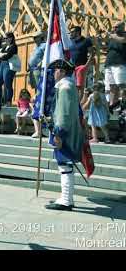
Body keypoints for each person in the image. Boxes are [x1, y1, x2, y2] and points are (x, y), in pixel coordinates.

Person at [45, 59, 85, 211]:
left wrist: (58, 133)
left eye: (55, 70)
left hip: (65, 133)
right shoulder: (68, 86)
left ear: (61, 71)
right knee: (65, 166)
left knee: (64, 165)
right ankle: (66, 197)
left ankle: (66, 200)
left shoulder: (65, 88)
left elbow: (65, 114)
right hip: (67, 131)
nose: (54, 73)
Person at [29, 31, 54, 138]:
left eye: (36, 37)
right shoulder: (36, 47)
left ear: (41, 37)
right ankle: (37, 96)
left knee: (40, 86)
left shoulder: (44, 45)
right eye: (34, 37)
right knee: (35, 86)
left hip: (39, 69)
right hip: (32, 69)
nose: (34, 39)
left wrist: (40, 64)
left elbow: (46, 56)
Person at [103, 22, 126, 111]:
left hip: (120, 64)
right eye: (113, 27)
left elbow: (122, 40)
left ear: (122, 27)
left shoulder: (123, 36)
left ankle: (124, 105)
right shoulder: (113, 37)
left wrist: (110, 34)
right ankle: (112, 106)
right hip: (109, 64)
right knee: (111, 86)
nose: (114, 28)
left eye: (116, 27)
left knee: (122, 85)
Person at [69, 26, 94, 100]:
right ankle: (75, 102)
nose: (70, 33)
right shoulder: (71, 42)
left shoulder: (86, 41)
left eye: (72, 32)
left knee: (80, 87)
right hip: (72, 67)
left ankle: (78, 104)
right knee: (73, 86)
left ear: (77, 32)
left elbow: (92, 53)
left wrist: (86, 65)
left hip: (81, 66)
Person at [0, 32, 20, 106]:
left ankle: (8, 101)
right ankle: (0, 100)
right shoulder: (5, 47)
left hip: (9, 66)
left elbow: (7, 56)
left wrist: (1, 55)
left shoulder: (14, 46)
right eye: (4, 38)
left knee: (7, 84)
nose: (5, 40)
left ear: (11, 38)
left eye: (6, 38)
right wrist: (1, 55)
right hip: (2, 65)